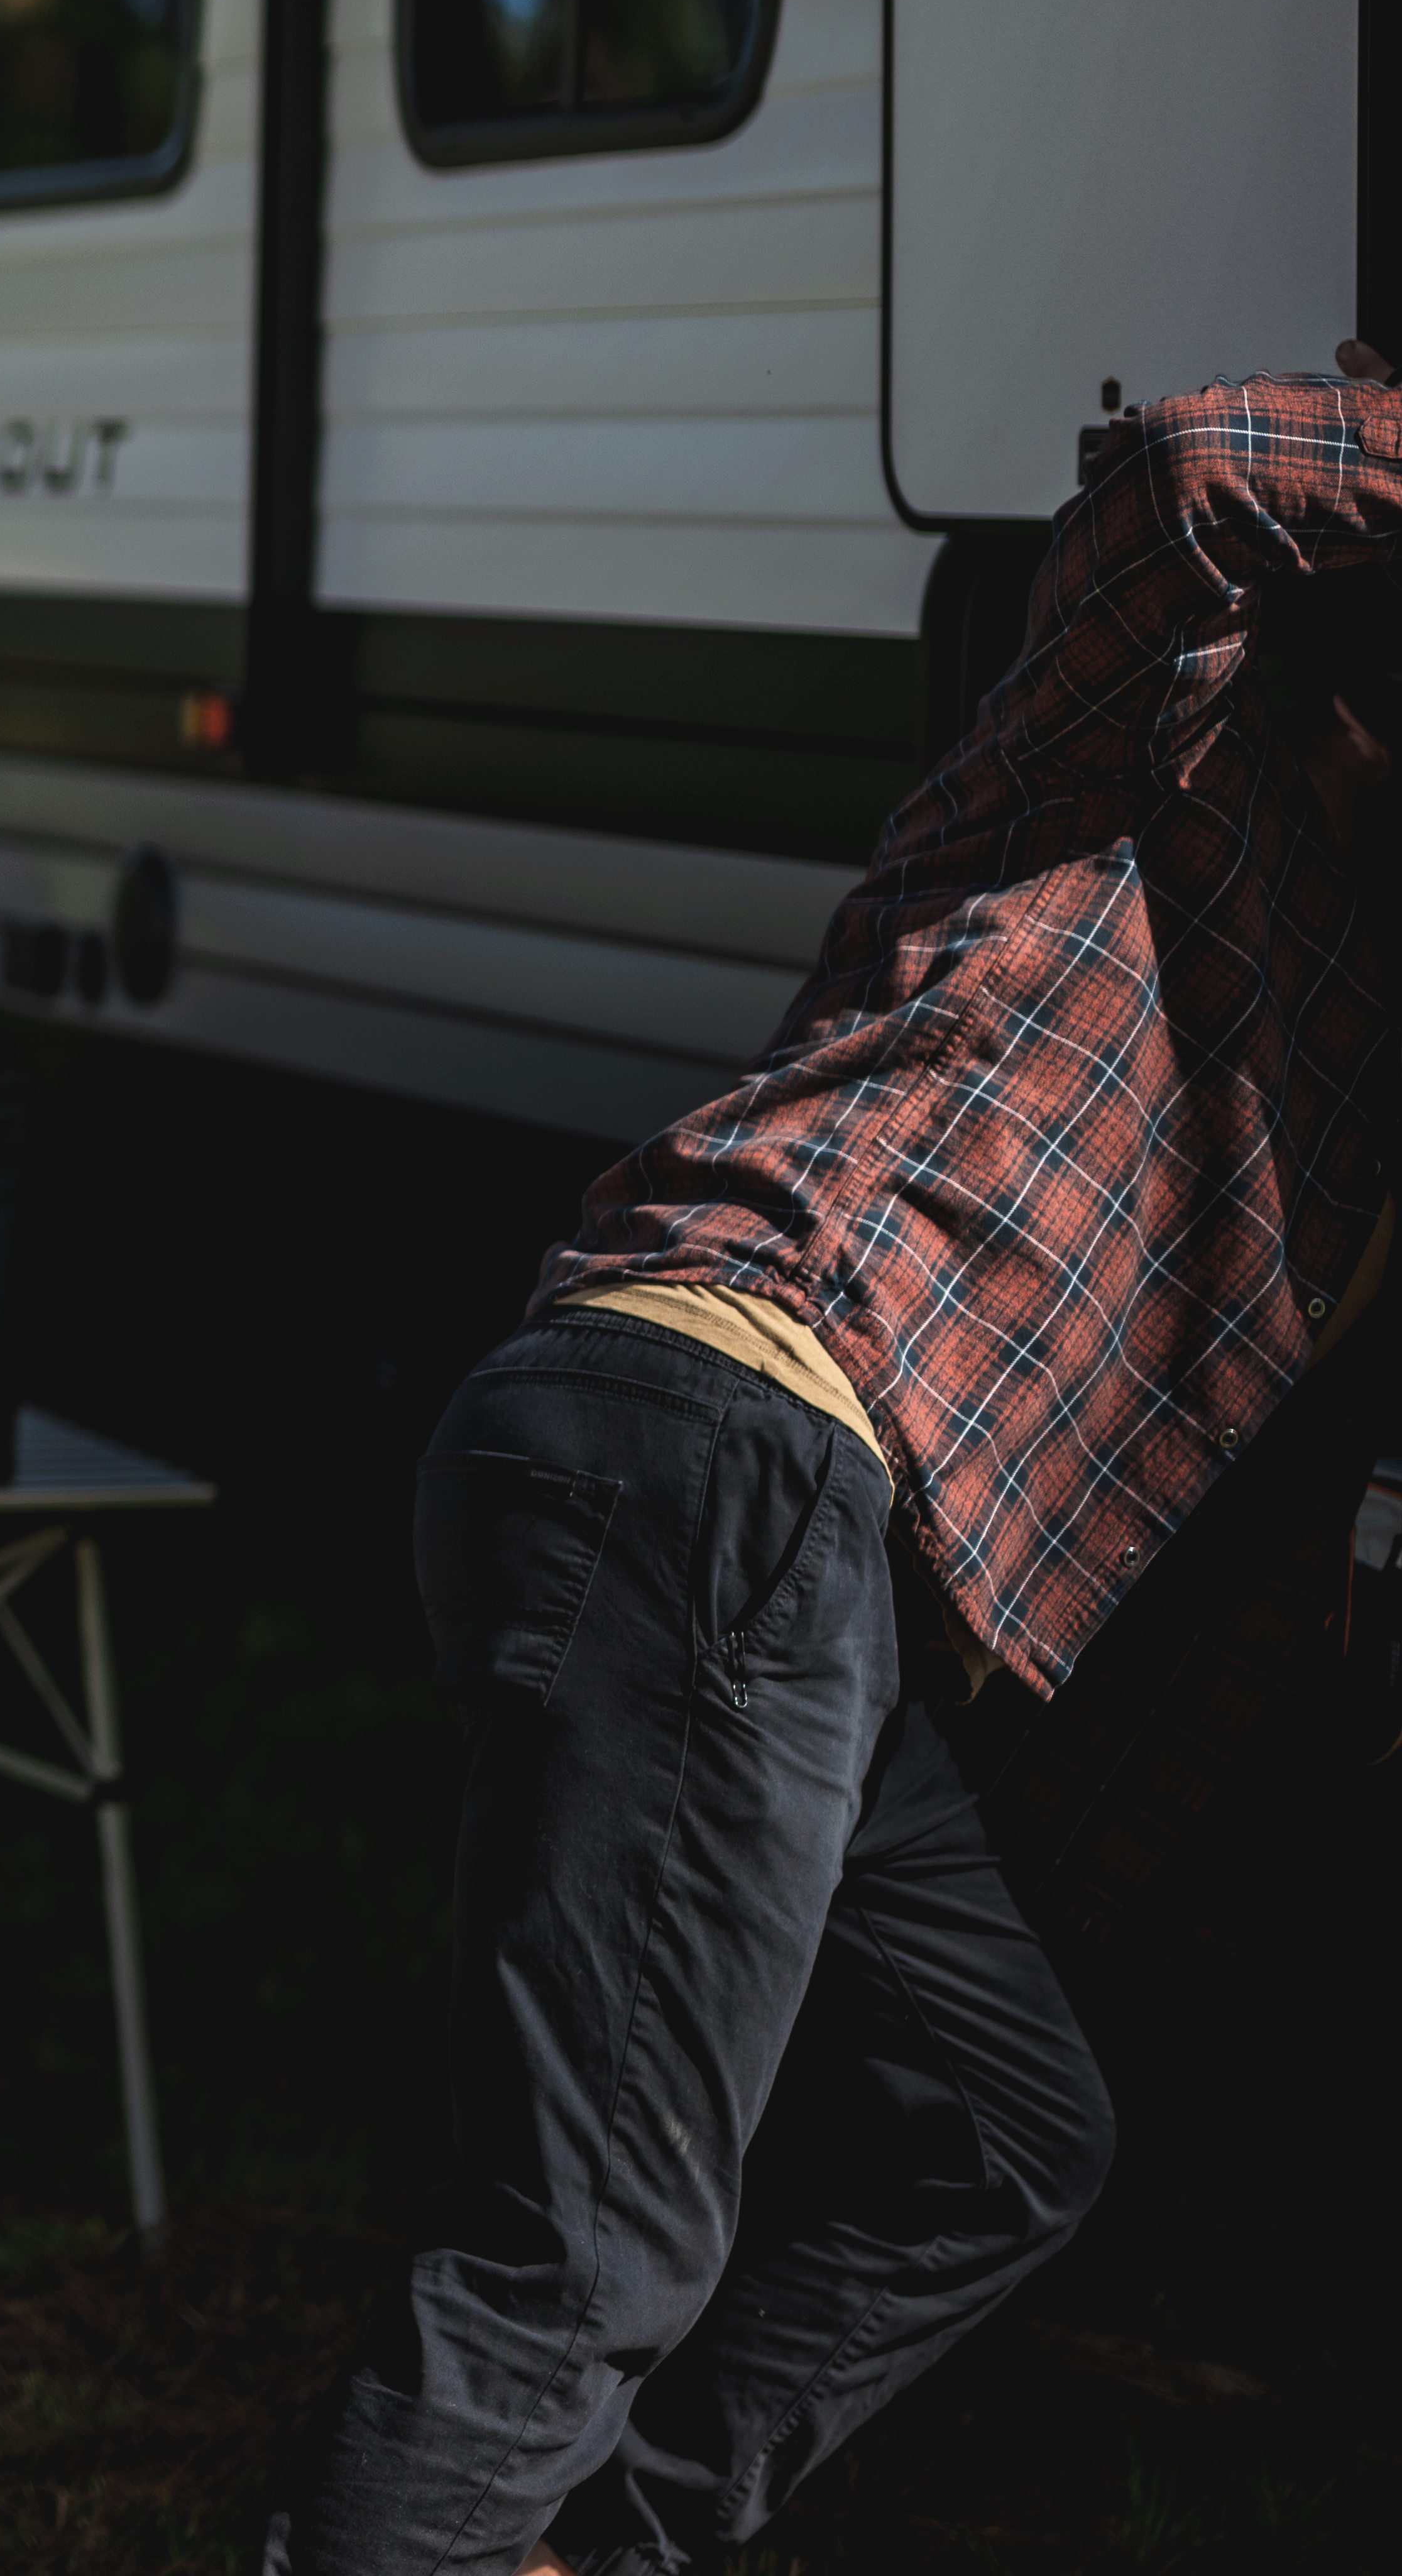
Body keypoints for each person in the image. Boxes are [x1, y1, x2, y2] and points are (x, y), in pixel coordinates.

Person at [267, 366, 1402, 2573]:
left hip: (830, 1569)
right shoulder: (1161, 748)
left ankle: (588, 2555)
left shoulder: (1368, 1075)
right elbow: (1192, 475)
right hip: (723, 1423)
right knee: (563, 2274)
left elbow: (1247, 1576)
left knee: (1005, 2123)